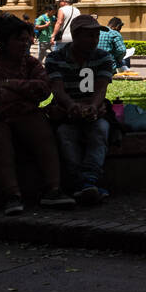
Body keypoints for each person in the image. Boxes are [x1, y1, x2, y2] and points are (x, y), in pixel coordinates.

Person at [0, 13, 77, 216]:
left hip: (21, 116)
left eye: (27, 40)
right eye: (20, 40)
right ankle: (11, 195)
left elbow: (43, 90)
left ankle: (53, 190)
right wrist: (23, 96)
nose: (26, 44)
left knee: (42, 131)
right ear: (4, 41)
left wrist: (8, 85)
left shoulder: (32, 64)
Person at [45, 13, 115, 204]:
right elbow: (57, 89)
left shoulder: (103, 57)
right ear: (76, 36)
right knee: (65, 134)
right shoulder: (55, 58)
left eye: (96, 36)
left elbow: (101, 88)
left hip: (94, 111)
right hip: (65, 112)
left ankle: (88, 180)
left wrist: (93, 106)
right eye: (89, 36)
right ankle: (82, 183)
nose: (94, 41)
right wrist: (71, 106)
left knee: (100, 130)